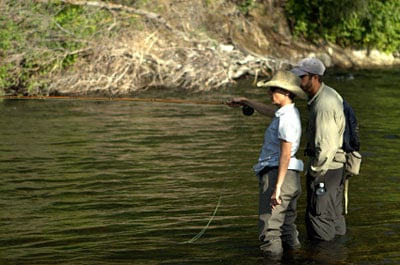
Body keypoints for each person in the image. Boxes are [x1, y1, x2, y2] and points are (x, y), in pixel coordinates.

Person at [227, 70, 306, 255]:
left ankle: (273, 260)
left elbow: (285, 155)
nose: (269, 93)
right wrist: (245, 101)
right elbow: (270, 112)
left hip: (278, 176)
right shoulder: (286, 113)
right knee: (286, 227)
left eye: (273, 90)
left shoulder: (286, 119)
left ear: (286, 93)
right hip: (291, 177)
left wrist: (277, 188)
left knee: (269, 230)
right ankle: (297, 258)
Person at [290, 58, 347, 241]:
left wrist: (314, 173)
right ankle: (339, 255)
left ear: (314, 78)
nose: (298, 80)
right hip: (336, 169)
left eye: (302, 76)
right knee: (334, 218)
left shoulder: (323, 105)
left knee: (319, 219)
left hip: (326, 170)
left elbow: (326, 147)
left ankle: (324, 257)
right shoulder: (327, 95)